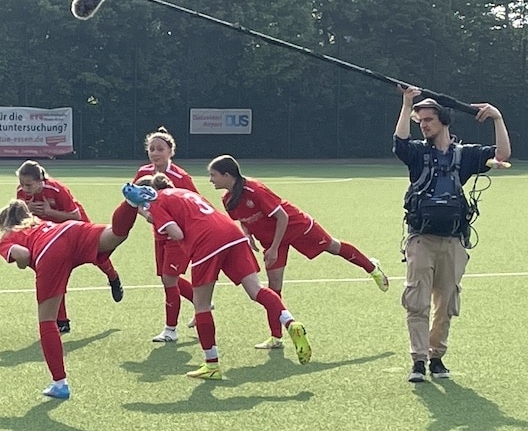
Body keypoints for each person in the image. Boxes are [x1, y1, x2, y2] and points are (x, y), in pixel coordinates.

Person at [124, 176, 310, 380]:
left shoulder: (157, 203)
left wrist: (151, 216)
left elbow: (176, 234)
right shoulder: (184, 193)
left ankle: (211, 365)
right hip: (233, 234)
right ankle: (290, 322)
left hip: (207, 242)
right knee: (256, 289)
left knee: (202, 304)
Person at [205, 154, 389, 349]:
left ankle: (372, 267)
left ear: (227, 175)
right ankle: (276, 337)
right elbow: (243, 219)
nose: (210, 179)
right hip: (270, 238)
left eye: (213, 175)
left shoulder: (255, 189)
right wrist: (248, 235)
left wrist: (274, 248)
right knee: (274, 285)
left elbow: (282, 217)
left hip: (295, 226)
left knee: (333, 247)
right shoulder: (227, 199)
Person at [394, 86, 510, 383]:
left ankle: (437, 357)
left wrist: (497, 118)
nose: (424, 125)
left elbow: (503, 154)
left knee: (446, 304)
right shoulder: (418, 153)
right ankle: (418, 361)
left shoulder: (466, 155)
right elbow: (400, 142)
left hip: (454, 241)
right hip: (421, 238)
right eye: (421, 120)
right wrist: (408, 103)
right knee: (417, 301)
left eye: (429, 119)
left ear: (444, 120)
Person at [0, 198, 136, 399]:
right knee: (116, 234)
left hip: (48, 251)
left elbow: (24, 254)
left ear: (4, 224)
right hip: (69, 230)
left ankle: (59, 383)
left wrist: (19, 263)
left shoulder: (5, 237)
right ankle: (130, 203)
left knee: (47, 321)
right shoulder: (37, 222)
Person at [16, 160, 122, 334]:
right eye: (21, 184)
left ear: (40, 180)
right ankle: (62, 320)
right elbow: (22, 217)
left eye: (29, 184)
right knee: (54, 272)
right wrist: (27, 209)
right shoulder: (21, 192)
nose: (24, 188)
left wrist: (50, 212)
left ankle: (113, 277)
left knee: (98, 256)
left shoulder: (57, 189)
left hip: (75, 227)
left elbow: (76, 216)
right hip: (50, 235)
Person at [134, 128, 200, 342]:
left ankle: (170, 330)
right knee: (166, 277)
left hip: (177, 235)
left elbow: (195, 204)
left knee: (169, 279)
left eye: (160, 149)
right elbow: (134, 200)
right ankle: (202, 303)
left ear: (170, 151)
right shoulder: (143, 173)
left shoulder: (180, 177)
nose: (155, 153)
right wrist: (147, 214)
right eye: (152, 149)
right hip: (159, 233)